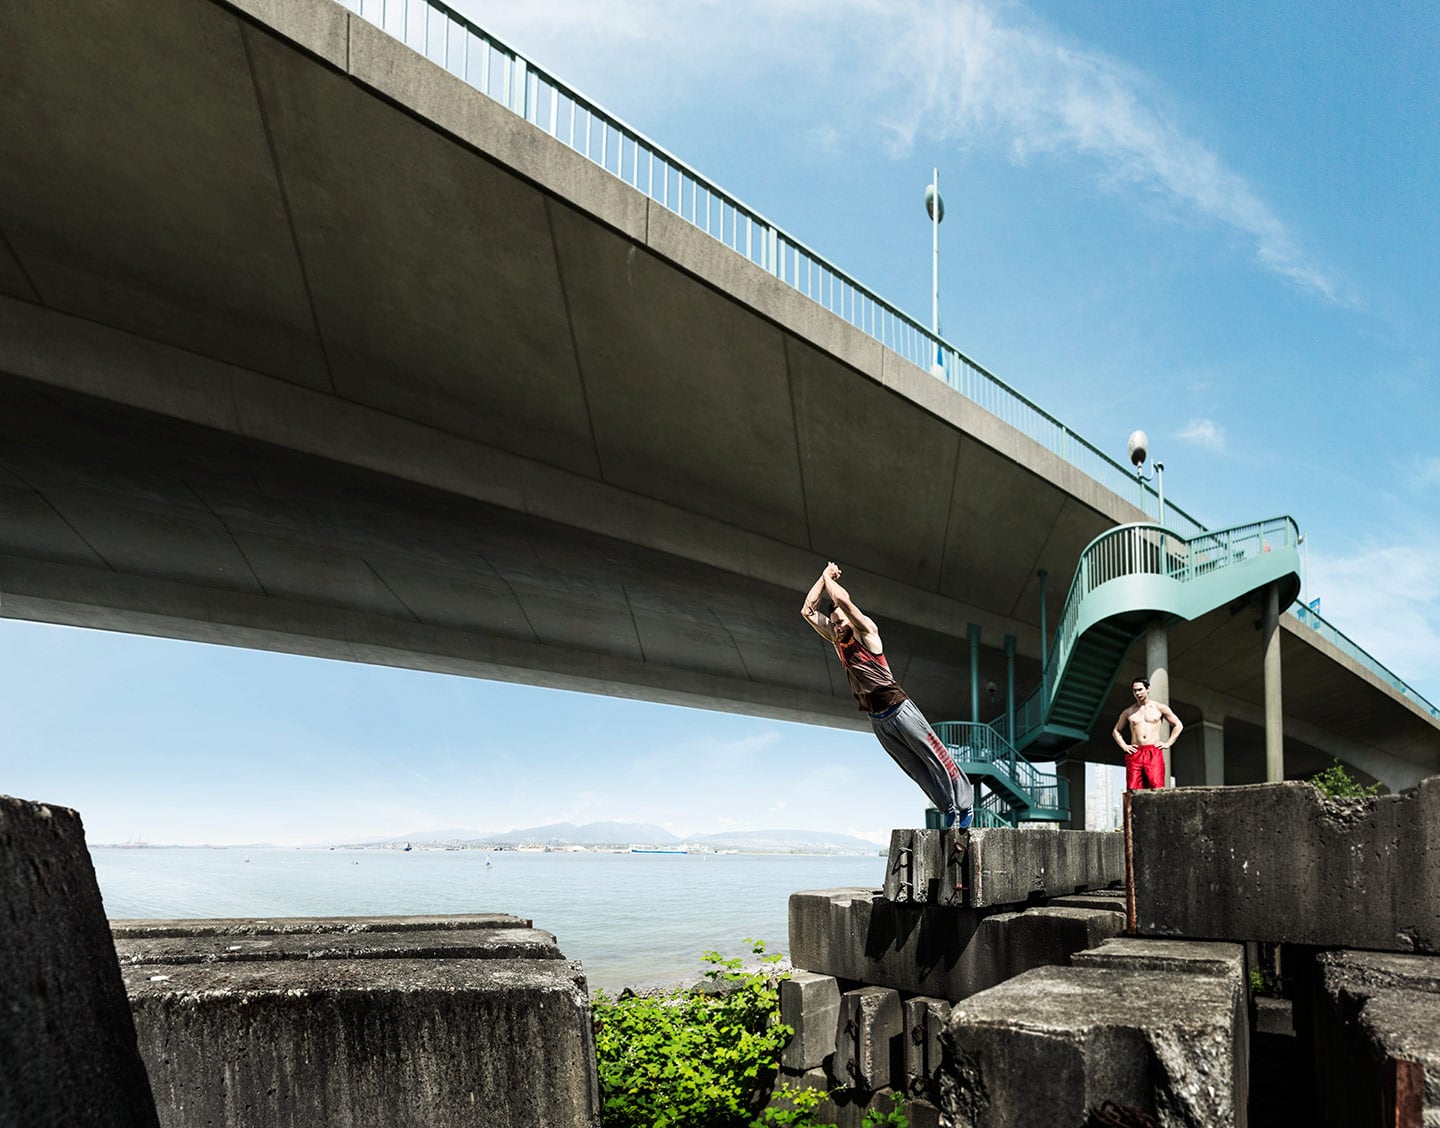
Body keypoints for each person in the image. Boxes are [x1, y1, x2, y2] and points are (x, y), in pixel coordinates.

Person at [801, 562, 974, 828]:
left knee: (935, 755)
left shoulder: (867, 633)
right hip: (877, 720)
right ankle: (948, 808)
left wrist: (828, 576)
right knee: (915, 770)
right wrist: (822, 579)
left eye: (840, 622)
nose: (836, 627)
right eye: (833, 624)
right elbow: (808, 610)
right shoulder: (838, 643)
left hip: (900, 709)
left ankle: (965, 804)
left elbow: (842, 599)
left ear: (851, 620)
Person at [1112, 677, 1183, 791]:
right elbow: (1116, 731)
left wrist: (1168, 743)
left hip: (1153, 751)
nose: (1137, 693)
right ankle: (1132, 809)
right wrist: (1125, 746)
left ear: (1148, 689)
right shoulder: (1128, 711)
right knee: (1132, 789)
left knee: (1157, 787)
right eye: (1135, 690)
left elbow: (1178, 725)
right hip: (1135, 752)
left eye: (1140, 689)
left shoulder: (1160, 708)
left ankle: (1158, 809)